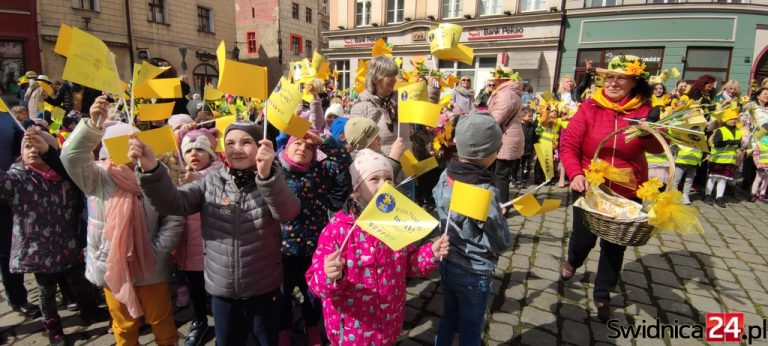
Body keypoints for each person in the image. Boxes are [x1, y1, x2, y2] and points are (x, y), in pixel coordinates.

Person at [132, 121, 301, 346]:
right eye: (229, 143)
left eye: (246, 142)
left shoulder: (271, 179)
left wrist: (267, 177)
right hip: (222, 289)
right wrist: (151, 169)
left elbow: (288, 212)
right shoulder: (210, 182)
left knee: (265, 340)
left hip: (263, 287)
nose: (237, 148)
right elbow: (173, 203)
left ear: (261, 146)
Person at [60, 96, 185, 346]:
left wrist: (156, 249)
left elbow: (173, 215)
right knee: (123, 324)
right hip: (112, 265)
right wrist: (92, 126)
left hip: (150, 264)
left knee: (161, 320)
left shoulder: (154, 174)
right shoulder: (97, 177)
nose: (127, 153)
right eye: (119, 147)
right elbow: (71, 157)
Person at [306, 148, 449, 345]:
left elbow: (409, 265)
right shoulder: (338, 230)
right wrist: (330, 274)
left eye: (389, 179)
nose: (384, 185)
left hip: (389, 323)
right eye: (375, 179)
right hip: (352, 332)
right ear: (356, 188)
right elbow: (315, 284)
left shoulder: (395, 223)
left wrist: (430, 253)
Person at [559, 55, 664, 322]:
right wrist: (575, 174)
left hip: (628, 191)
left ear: (634, 82)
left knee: (615, 245)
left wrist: (651, 131)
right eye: (609, 77)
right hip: (589, 186)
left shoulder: (644, 110)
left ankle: (602, 295)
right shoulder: (590, 107)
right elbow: (569, 144)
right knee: (583, 238)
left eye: (621, 78)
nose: (613, 83)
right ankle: (574, 260)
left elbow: (656, 149)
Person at [2, 129, 102, 345]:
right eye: (27, 147)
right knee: (46, 290)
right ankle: (53, 326)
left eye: (38, 146)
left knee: (79, 282)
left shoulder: (64, 176)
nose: (32, 150)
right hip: (38, 249)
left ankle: (90, 311)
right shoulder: (17, 178)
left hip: (68, 242)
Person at [433, 112, 512, 345]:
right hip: (474, 271)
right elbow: (502, 241)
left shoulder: (444, 174)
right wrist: (497, 213)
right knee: (471, 328)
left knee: (449, 316)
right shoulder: (484, 194)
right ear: (490, 154)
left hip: (447, 263)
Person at [276, 130, 351, 346]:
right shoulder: (275, 171)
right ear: (286, 148)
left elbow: (343, 159)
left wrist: (323, 142)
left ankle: (311, 325)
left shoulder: (320, 171)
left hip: (314, 247)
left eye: (308, 147)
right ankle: (283, 328)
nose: (302, 149)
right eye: (297, 144)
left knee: (313, 293)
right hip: (282, 249)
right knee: (282, 294)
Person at [174, 127, 223, 345]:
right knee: (194, 286)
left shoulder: (221, 173)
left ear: (211, 154)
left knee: (218, 288)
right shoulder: (178, 177)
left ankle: (223, 321)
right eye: (189, 151)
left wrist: (198, 182)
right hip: (190, 246)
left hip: (214, 245)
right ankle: (199, 321)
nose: (194, 154)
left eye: (200, 149)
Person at [0, 109, 40, 319]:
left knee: (8, 251)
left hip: (7, 196)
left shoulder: (7, 119)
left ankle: (17, 298)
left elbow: (22, 152)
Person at [488, 66, 524, 204]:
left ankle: (501, 207)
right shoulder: (510, 92)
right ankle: (498, 204)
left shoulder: (506, 94)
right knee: (500, 175)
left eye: (495, 79)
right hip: (507, 136)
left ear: (500, 79)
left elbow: (496, 118)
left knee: (500, 176)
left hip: (505, 139)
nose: (493, 81)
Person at [704, 108, 745, 208]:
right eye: (731, 119)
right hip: (717, 159)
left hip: (729, 160)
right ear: (725, 120)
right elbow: (717, 143)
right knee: (713, 177)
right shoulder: (720, 130)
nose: (733, 120)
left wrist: (740, 148)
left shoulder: (738, 132)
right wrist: (731, 143)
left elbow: (739, 144)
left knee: (723, 179)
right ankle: (708, 195)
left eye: (735, 119)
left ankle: (719, 197)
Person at [514, 107, 539, 187]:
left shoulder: (532, 126)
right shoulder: (518, 126)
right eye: (529, 116)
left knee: (526, 166)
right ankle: (514, 178)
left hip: (528, 150)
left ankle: (524, 179)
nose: (531, 118)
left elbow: (535, 137)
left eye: (531, 116)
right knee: (515, 165)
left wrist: (534, 148)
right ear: (522, 116)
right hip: (518, 150)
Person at [750, 131, 768, 202]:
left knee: (766, 180)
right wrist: (758, 164)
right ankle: (753, 194)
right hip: (762, 165)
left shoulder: (760, 142)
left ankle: (762, 194)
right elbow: (755, 154)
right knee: (758, 179)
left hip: (764, 165)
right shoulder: (760, 143)